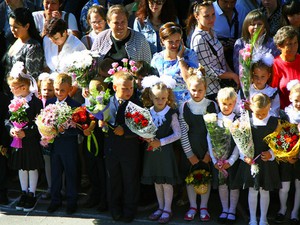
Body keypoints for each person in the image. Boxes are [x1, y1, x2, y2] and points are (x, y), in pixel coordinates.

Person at [98, 71, 140, 223]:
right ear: (115, 87)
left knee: (130, 179)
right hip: (111, 148)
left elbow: (141, 125)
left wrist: (126, 130)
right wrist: (101, 124)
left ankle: (130, 209)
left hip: (129, 148)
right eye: (124, 88)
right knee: (113, 178)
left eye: (131, 88)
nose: (128, 91)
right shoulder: (106, 102)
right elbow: (102, 119)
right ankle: (114, 208)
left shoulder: (137, 103)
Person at [233, 93, 281, 225]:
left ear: (269, 107)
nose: (260, 116)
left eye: (263, 113)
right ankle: (253, 219)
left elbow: (279, 142)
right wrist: (244, 156)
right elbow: (239, 140)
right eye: (257, 113)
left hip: (266, 162)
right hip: (251, 161)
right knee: (252, 190)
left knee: (265, 191)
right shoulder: (246, 120)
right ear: (251, 107)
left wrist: (271, 154)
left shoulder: (274, 121)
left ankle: (263, 219)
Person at [179, 68, 218, 222]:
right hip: (191, 149)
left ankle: (204, 207)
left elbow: (214, 131)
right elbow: (183, 132)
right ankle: (193, 206)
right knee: (191, 177)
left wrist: (209, 153)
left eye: (200, 90)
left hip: (206, 147)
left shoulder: (211, 105)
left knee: (205, 177)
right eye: (193, 90)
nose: (196, 93)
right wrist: (190, 155)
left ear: (205, 89)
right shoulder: (184, 106)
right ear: (189, 89)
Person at [141, 75, 181, 224]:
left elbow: (178, 134)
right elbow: (143, 129)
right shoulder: (148, 112)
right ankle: (160, 207)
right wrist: (144, 137)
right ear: (151, 96)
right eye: (157, 98)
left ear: (168, 97)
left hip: (165, 152)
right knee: (157, 181)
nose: (160, 101)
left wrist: (161, 142)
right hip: (152, 152)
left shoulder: (171, 113)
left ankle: (168, 209)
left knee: (166, 181)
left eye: (163, 98)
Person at [7, 62, 44, 212]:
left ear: (23, 87)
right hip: (18, 140)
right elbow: (8, 120)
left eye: (13, 87)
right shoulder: (13, 102)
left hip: (30, 141)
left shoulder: (35, 102)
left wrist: (26, 133)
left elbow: (40, 123)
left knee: (31, 166)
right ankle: (23, 192)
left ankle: (32, 193)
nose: (11, 89)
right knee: (22, 167)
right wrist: (11, 130)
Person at [188, 1, 239, 101]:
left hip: (222, 87)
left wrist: (232, 73)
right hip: (211, 91)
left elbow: (221, 58)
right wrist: (232, 75)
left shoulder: (211, 31)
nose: (211, 19)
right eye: (206, 16)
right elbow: (207, 70)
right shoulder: (199, 39)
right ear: (197, 16)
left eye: (213, 14)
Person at [46, 73, 81, 215]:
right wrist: (49, 131)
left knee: (71, 173)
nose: (58, 93)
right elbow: (45, 121)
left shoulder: (75, 106)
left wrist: (64, 130)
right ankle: (55, 200)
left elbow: (78, 129)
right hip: (55, 146)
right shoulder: (50, 103)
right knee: (55, 174)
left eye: (62, 90)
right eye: (56, 89)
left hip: (69, 146)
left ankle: (71, 202)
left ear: (70, 89)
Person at [209, 87, 240, 224]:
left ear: (235, 103)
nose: (226, 107)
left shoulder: (238, 120)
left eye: (230, 104)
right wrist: (215, 159)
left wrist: (231, 160)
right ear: (218, 102)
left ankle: (232, 210)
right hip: (218, 160)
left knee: (233, 184)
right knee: (222, 184)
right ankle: (224, 209)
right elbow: (209, 139)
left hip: (231, 159)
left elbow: (240, 142)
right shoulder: (214, 119)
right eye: (223, 104)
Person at [151, 22, 198, 107]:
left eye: (177, 41)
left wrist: (180, 58)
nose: (174, 45)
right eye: (170, 42)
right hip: (167, 103)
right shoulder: (157, 59)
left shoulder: (189, 55)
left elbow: (190, 80)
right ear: (162, 41)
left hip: (188, 103)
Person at [274, 80, 300, 225]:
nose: (298, 103)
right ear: (290, 98)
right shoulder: (284, 114)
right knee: (285, 186)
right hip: (287, 156)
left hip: (299, 157)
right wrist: (288, 154)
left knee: (298, 185)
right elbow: (280, 136)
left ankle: (295, 212)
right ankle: (282, 208)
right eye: (296, 100)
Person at [82, 78, 107, 212]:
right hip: (89, 140)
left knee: (101, 171)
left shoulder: (105, 103)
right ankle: (94, 195)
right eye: (91, 90)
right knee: (91, 169)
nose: (93, 93)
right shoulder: (87, 102)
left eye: (97, 90)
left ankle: (104, 198)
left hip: (101, 141)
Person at [233, 9, 280, 74]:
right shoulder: (240, 43)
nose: (256, 27)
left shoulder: (272, 43)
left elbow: (276, 66)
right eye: (252, 24)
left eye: (259, 24)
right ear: (246, 26)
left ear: (264, 27)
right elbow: (237, 67)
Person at [3, 7, 44, 81]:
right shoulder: (14, 40)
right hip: (7, 89)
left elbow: (31, 77)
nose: (12, 30)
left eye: (16, 27)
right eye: (10, 26)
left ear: (27, 26)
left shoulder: (33, 47)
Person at [212, 0, 248, 70]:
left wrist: (238, 43)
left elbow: (247, 34)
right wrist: (217, 45)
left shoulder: (242, 9)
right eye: (225, 2)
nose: (229, 6)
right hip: (215, 61)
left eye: (232, 2)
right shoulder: (210, 11)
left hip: (238, 58)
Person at [270, 26, 300, 109]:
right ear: (279, 46)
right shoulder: (275, 64)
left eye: (295, 43)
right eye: (289, 44)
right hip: (284, 113)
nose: (294, 47)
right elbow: (271, 92)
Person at [37, 73, 55, 199]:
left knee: (58, 164)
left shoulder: (55, 102)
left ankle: (61, 188)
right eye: (44, 89)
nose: (47, 92)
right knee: (47, 163)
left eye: (50, 90)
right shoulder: (38, 102)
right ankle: (50, 187)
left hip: (56, 138)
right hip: (44, 139)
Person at [0, 91, 10, 205]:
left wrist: (4, 142)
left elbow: (5, 120)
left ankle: (2, 194)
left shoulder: (3, 97)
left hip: (1, 138)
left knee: (1, 168)